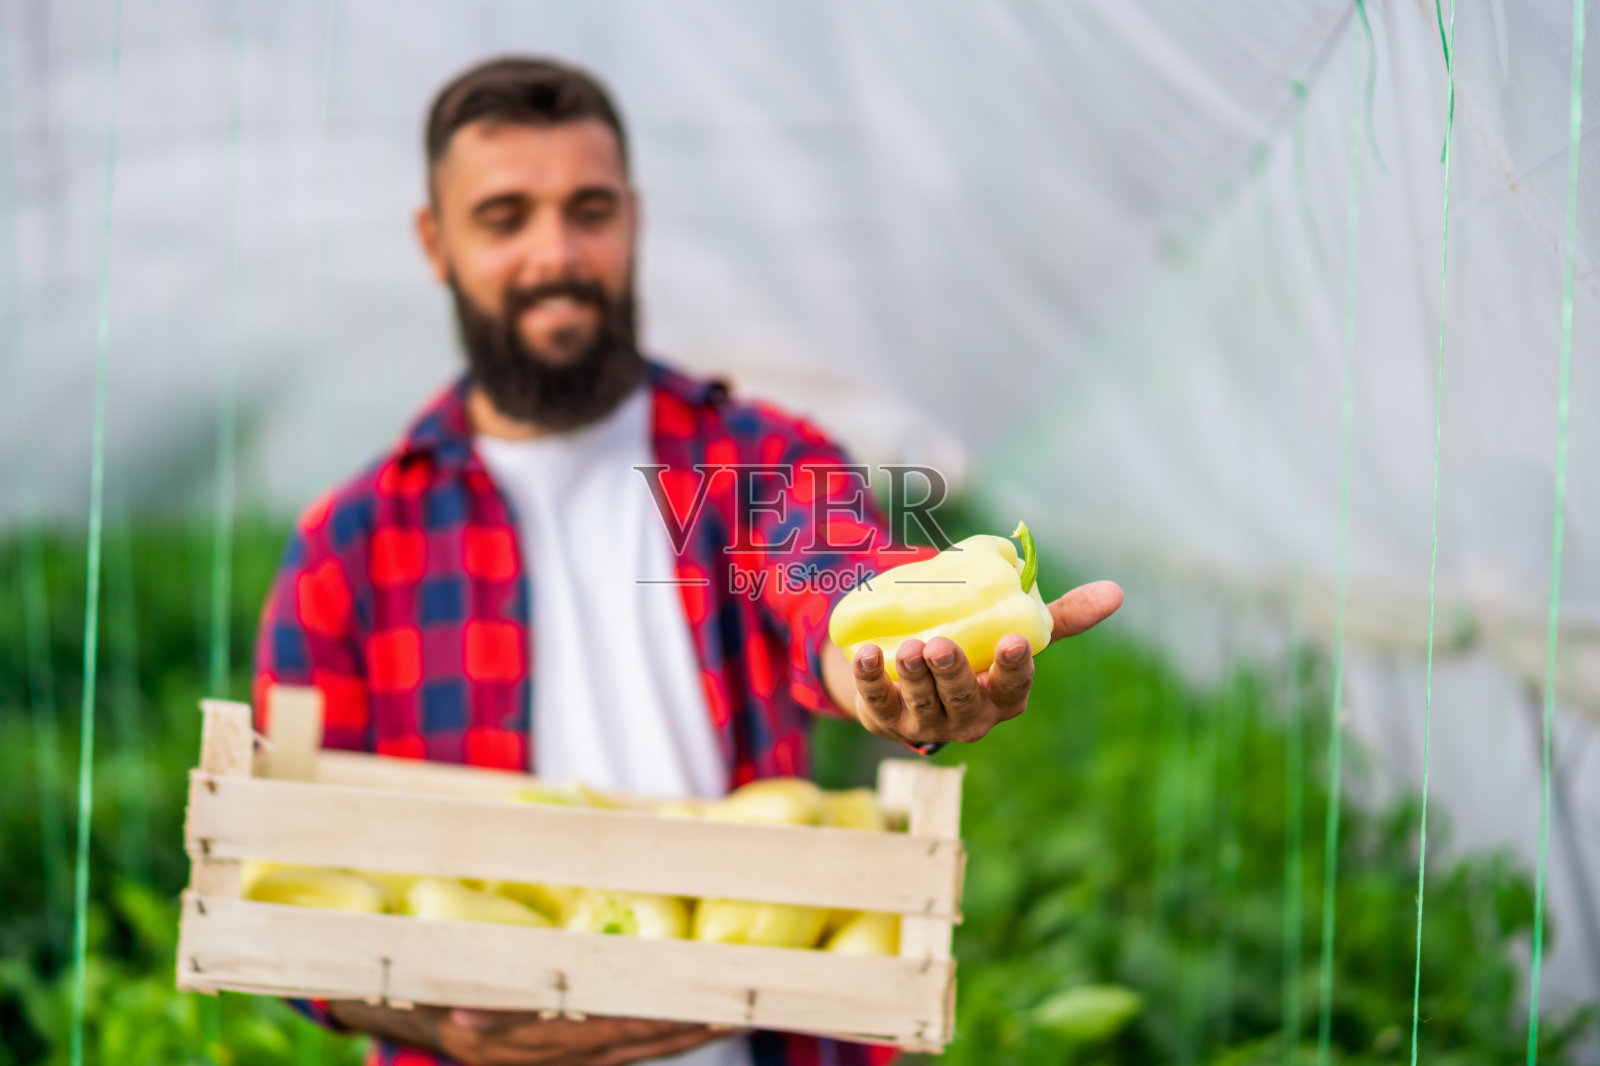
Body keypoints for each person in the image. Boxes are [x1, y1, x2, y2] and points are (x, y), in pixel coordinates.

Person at [252, 55, 1123, 1066]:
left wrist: (892, 666)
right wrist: (425, 1020)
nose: (555, 253)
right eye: (504, 218)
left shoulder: (751, 458)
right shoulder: (350, 547)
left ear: (635, 218)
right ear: (434, 241)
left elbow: (827, 572)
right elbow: (285, 870)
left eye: (589, 210)